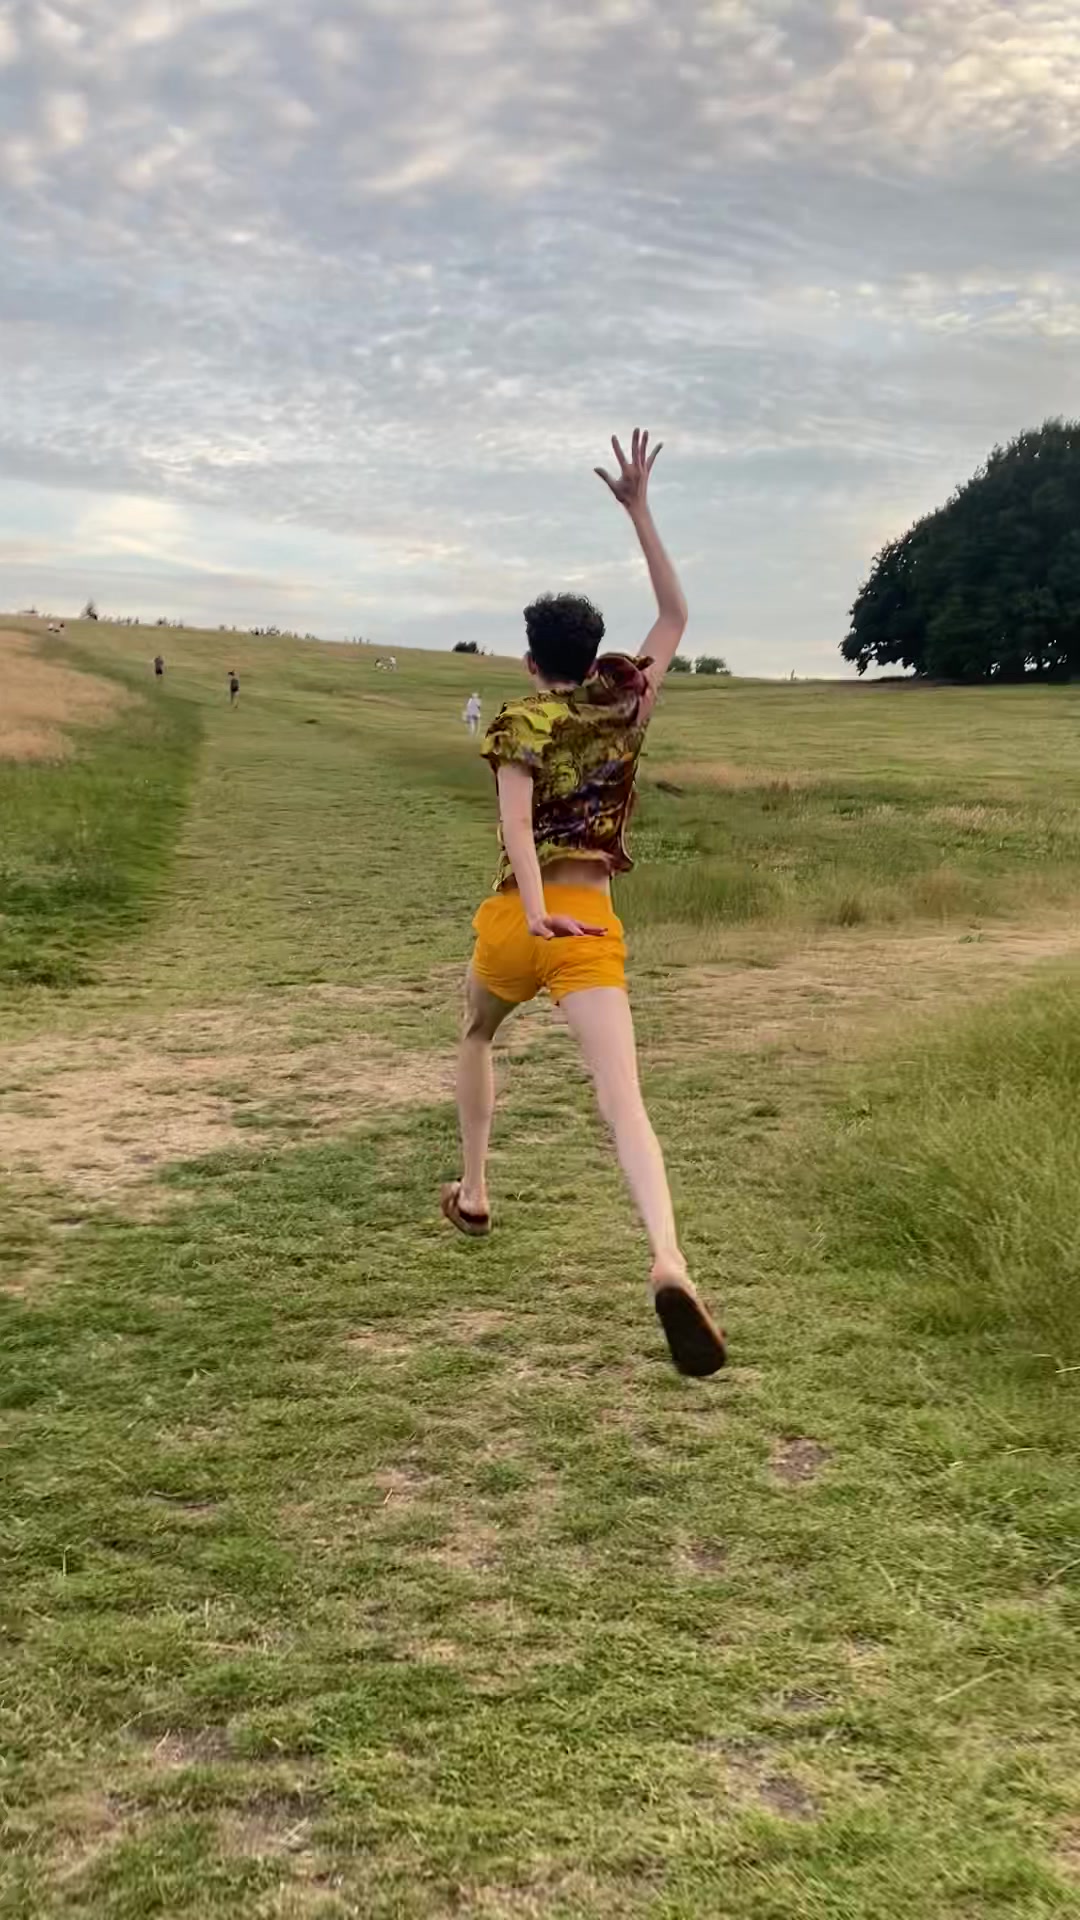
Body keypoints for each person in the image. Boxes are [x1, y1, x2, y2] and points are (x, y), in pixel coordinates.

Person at [440, 429, 726, 1378]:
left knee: (476, 1032)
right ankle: (668, 1257)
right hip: (591, 924)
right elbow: (676, 613)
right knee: (622, 1100)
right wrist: (640, 509)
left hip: (518, 924)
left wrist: (530, 911)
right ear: (591, 653)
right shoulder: (626, 702)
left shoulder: (519, 720)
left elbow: (517, 829)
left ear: (531, 663)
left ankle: (475, 1190)